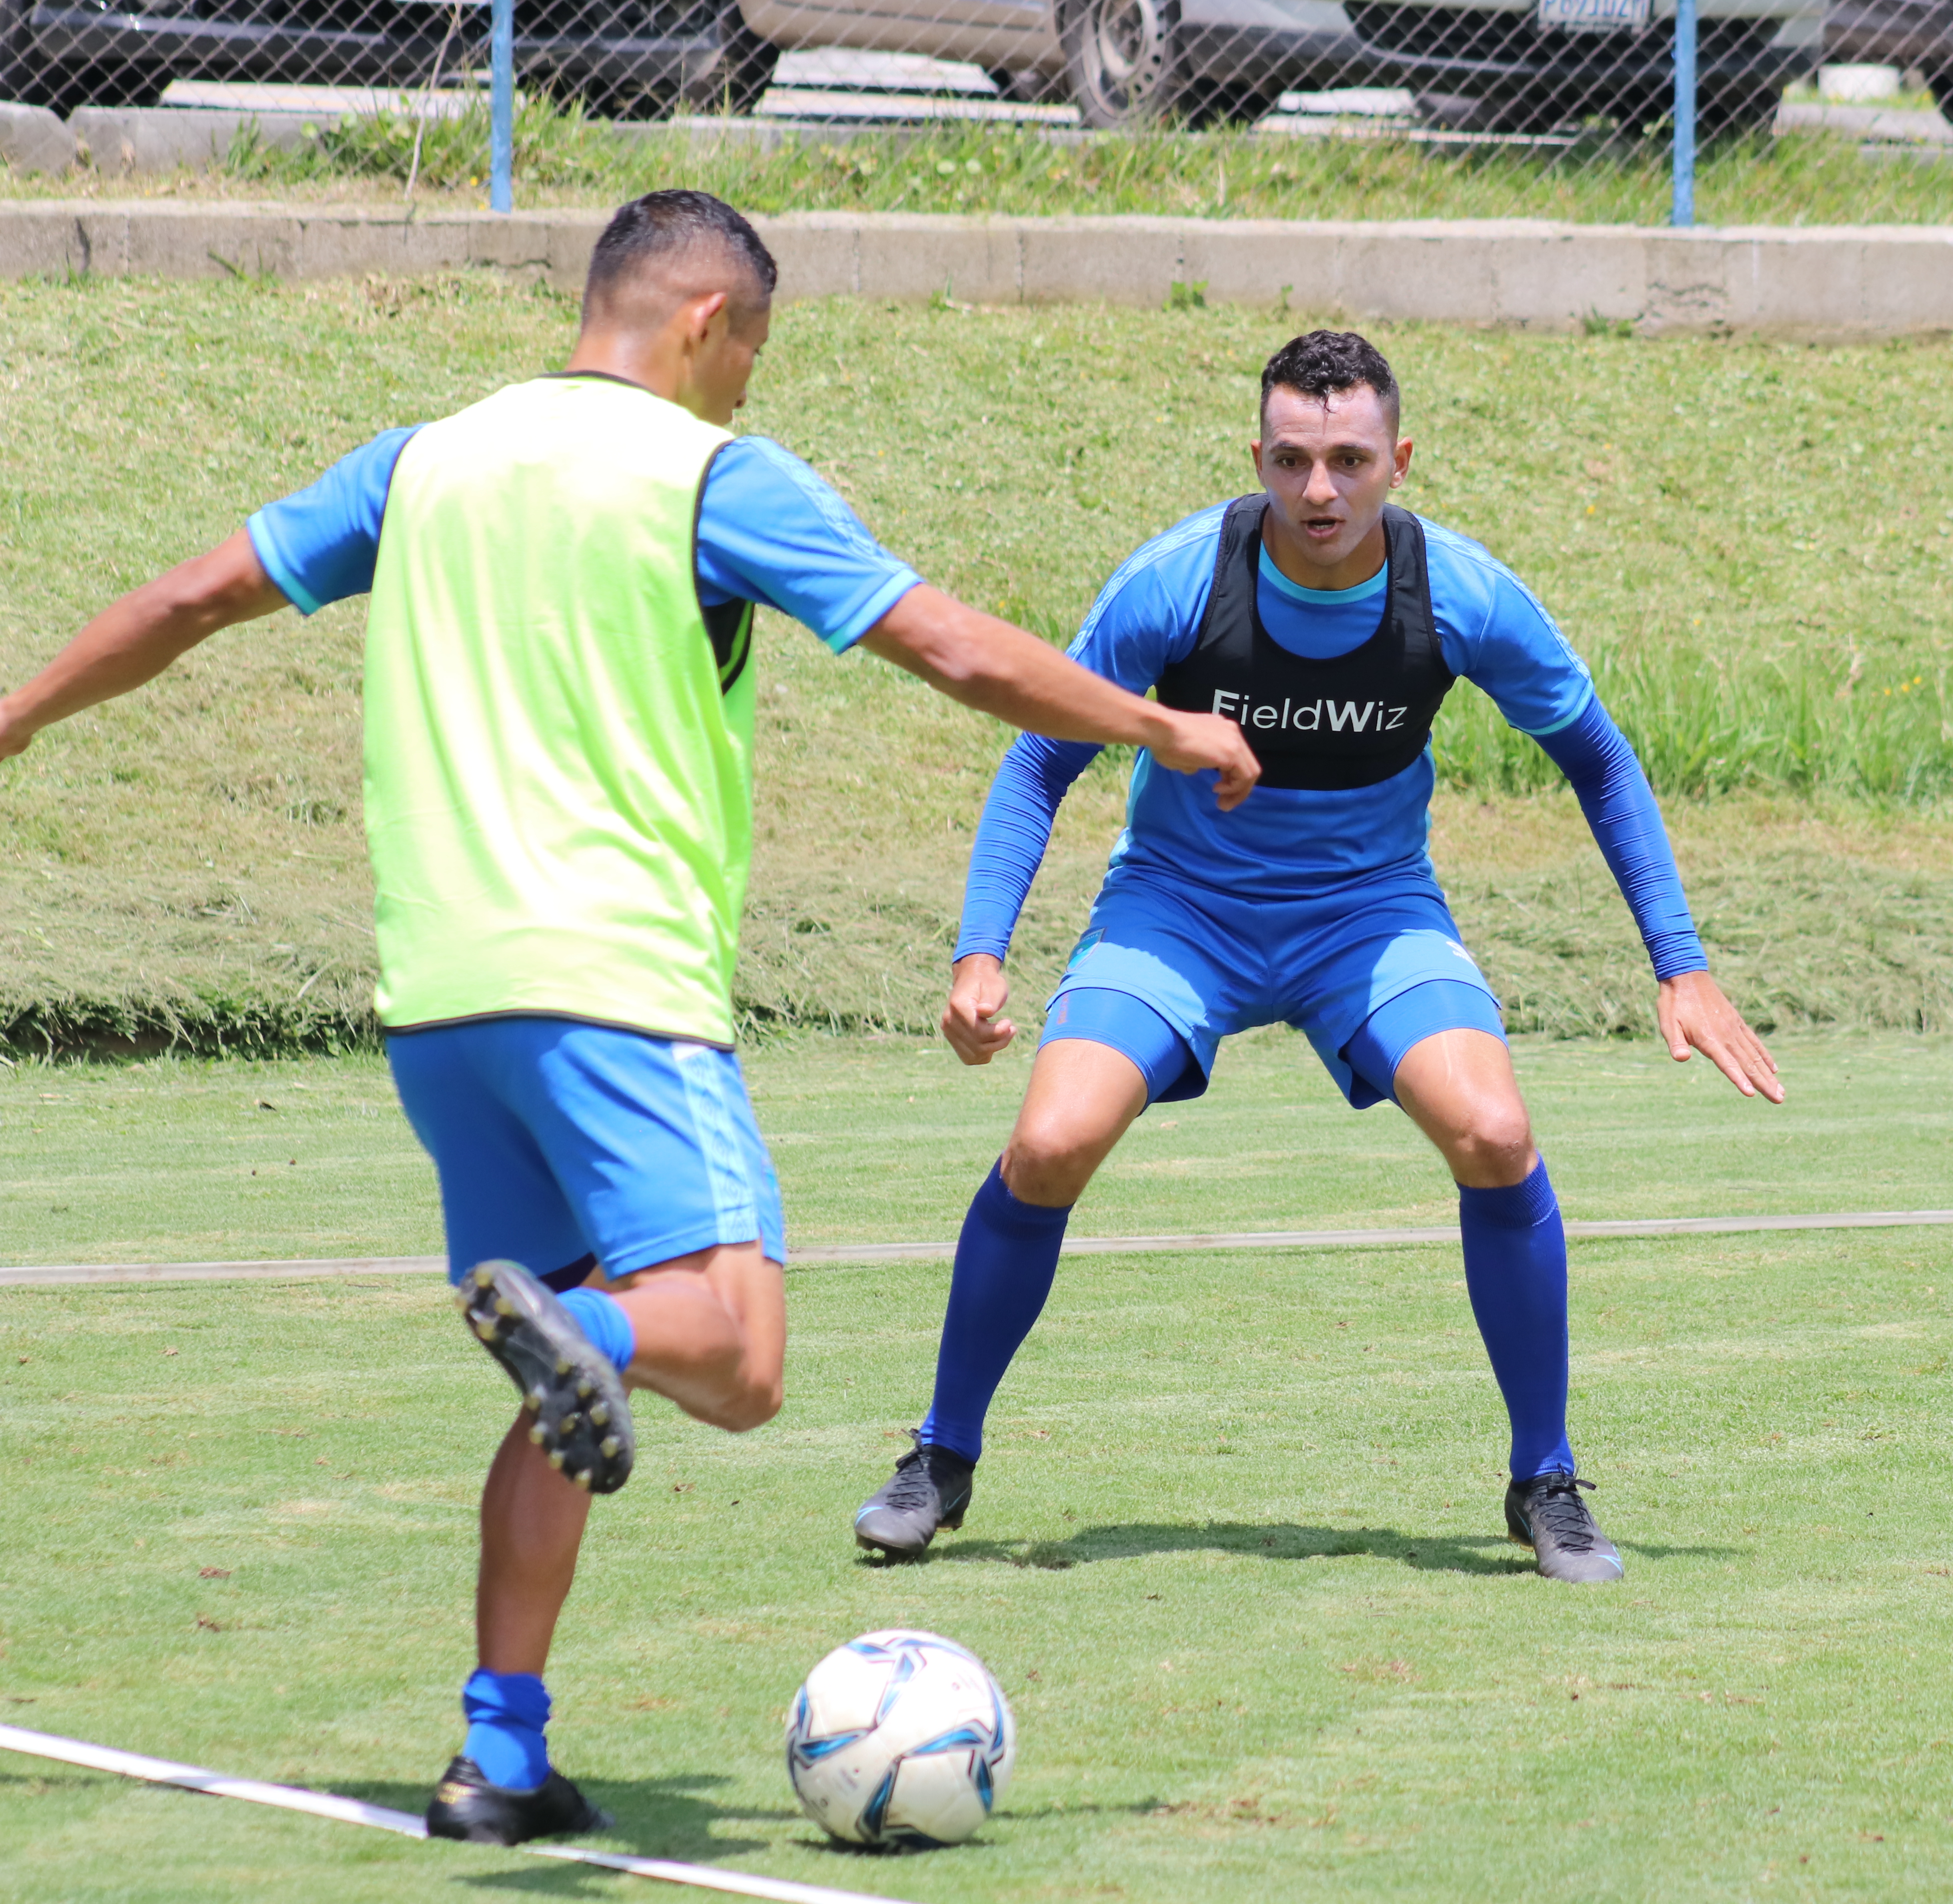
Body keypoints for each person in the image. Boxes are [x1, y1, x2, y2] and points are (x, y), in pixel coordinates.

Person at [0, 191, 1257, 1846]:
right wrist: (1159, 726)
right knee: (731, 1357)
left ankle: (499, 1756)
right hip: (613, 990)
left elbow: (187, 601)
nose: (746, 383)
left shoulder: (418, 461)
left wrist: (14, 720)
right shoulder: (714, 477)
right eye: (751, 351)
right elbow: (947, 648)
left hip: (440, 1006)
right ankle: (580, 1331)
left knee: (566, 1372)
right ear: (702, 323)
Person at [852, 329, 1781, 1582]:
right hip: (1179, 912)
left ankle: (1546, 1477)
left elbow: (1600, 758)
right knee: (1049, 1142)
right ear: (1259, 458)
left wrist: (1681, 960)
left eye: (1350, 459)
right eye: (1293, 460)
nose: (1322, 490)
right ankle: (940, 1457)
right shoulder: (1179, 580)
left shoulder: (1461, 592)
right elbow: (1038, 757)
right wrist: (980, 952)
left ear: (1401, 459)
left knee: (1498, 1136)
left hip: (1371, 916)